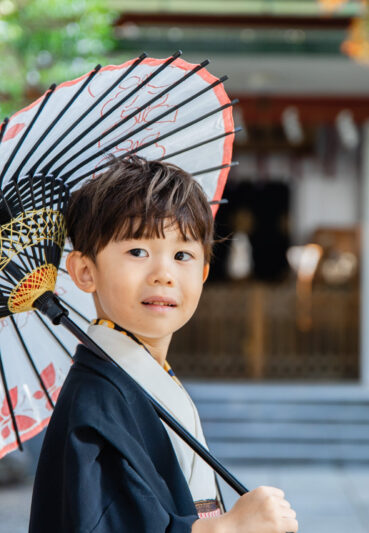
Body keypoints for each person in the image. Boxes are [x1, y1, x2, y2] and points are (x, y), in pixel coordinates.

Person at [28, 156, 298, 533]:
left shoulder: (145, 380)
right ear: (85, 271)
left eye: (183, 255)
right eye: (138, 251)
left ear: (204, 273)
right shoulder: (94, 406)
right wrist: (227, 529)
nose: (164, 274)